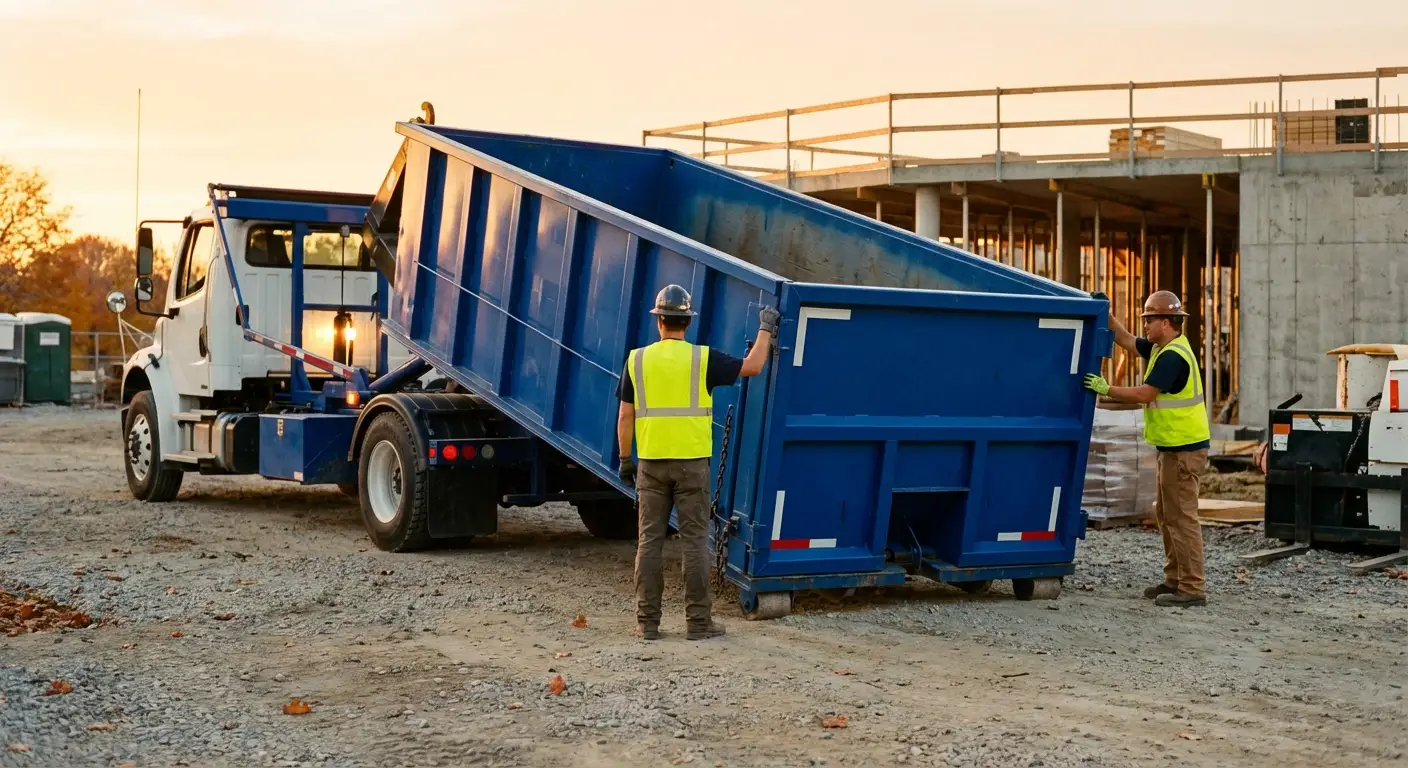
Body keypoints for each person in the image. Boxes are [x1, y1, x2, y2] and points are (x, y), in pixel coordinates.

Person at [616, 285, 778, 640]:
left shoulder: (637, 360)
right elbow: (754, 366)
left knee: (649, 541)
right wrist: (766, 327)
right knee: (693, 542)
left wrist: (626, 458)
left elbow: (625, 415)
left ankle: (647, 624)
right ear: (687, 322)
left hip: (652, 464)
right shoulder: (703, 359)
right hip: (691, 465)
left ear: (659, 321)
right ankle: (698, 623)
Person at [1083, 290, 1212, 608]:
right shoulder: (1160, 348)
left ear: (1166, 322)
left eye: (1149, 320)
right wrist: (1106, 316)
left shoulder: (1172, 357)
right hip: (1172, 448)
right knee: (1167, 515)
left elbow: (1145, 394)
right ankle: (1174, 580)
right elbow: (1126, 340)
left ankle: (1192, 587)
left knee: (1181, 518)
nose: (1145, 326)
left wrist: (1106, 388)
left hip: (1183, 450)